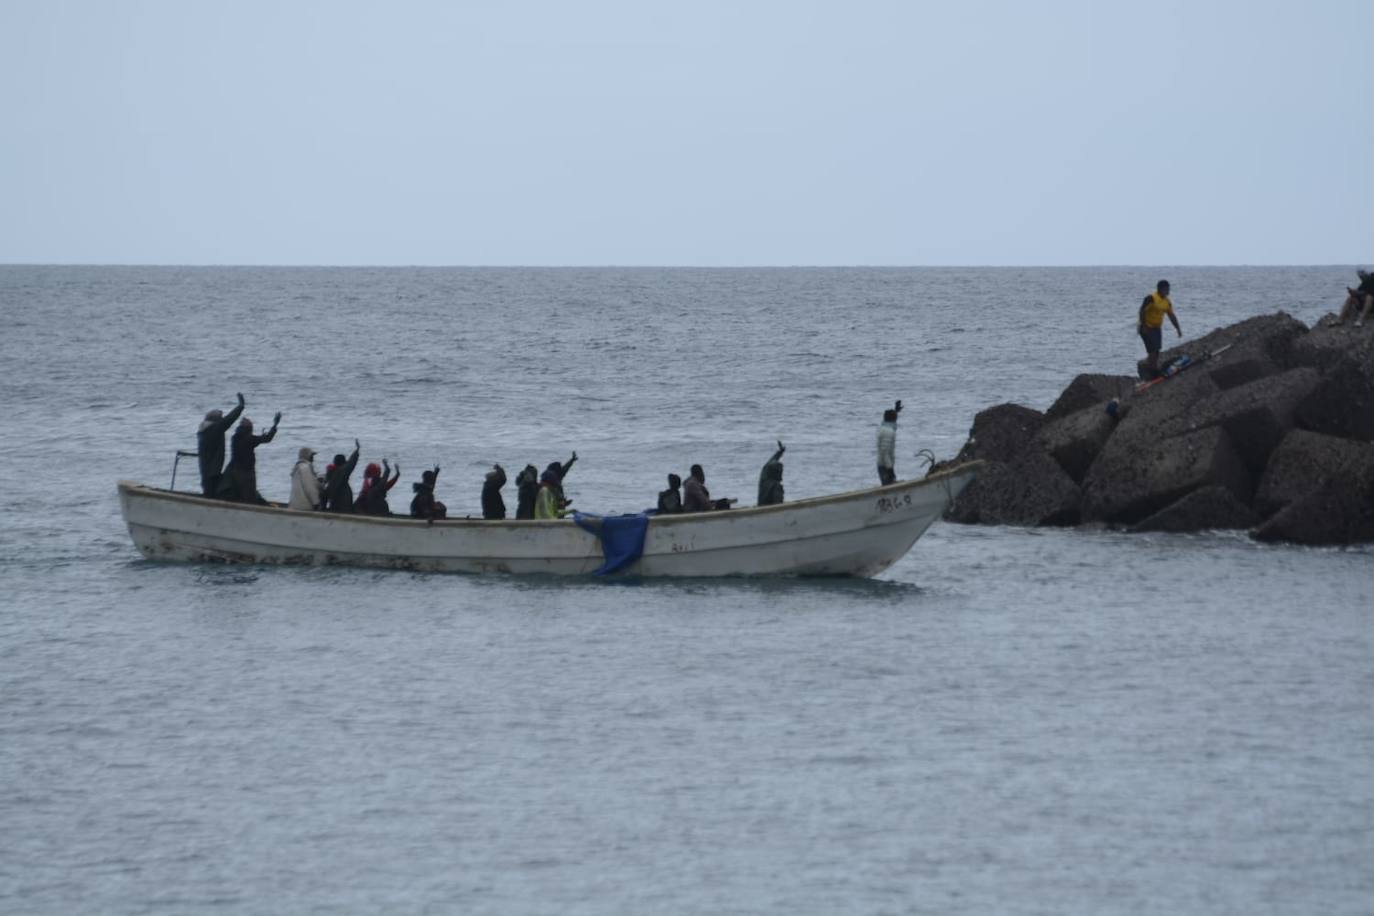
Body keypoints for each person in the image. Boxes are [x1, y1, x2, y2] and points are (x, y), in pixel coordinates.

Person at [221, 412, 281, 503]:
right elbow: (267, 439)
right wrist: (275, 424)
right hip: (247, 473)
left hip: (235, 471)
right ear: (249, 429)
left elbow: (256, 439)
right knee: (249, 497)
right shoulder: (249, 439)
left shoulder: (235, 438)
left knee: (239, 495)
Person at [196, 392, 245, 497]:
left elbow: (225, 421)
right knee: (211, 492)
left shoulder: (204, 430)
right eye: (220, 418)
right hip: (212, 471)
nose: (222, 419)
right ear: (216, 420)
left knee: (210, 490)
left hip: (208, 469)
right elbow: (229, 419)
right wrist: (240, 406)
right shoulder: (213, 430)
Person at [1138, 279, 1182, 378]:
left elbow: (1171, 316)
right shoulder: (1151, 298)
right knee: (1152, 350)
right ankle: (1152, 372)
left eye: (1168, 289)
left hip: (1156, 328)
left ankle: (1152, 369)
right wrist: (1143, 326)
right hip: (1146, 327)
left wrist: (1178, 328)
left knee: (1157, 350)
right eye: (1166, 289)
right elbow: (1142, 311)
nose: (1168, 291)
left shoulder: (1167, 302)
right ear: (1160, 289)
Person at [322, 440, 361, 512]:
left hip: (334, 507)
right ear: (343, 463)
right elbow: (350, 464)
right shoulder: (341, 473)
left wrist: (322, 508)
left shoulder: (330, 475)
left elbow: (324, 494)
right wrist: (357, 450)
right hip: (343, 507)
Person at [877, 401, 901, 485]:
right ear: (894, 419)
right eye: (896, 417)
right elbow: (885, 453)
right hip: (885, 467)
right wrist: (890, 470)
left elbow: (891, 423)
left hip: (884, 465)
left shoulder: (884, 427)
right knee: (888, 487)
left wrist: (895, 411)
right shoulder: (888, 432)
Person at [757, 440, 786, 506]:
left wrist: (780, 452)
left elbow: (772, 460)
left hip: (761, 505)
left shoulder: (764, 474)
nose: (781, 474)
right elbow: (778, 505)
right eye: (780, 472)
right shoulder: (775, 485)